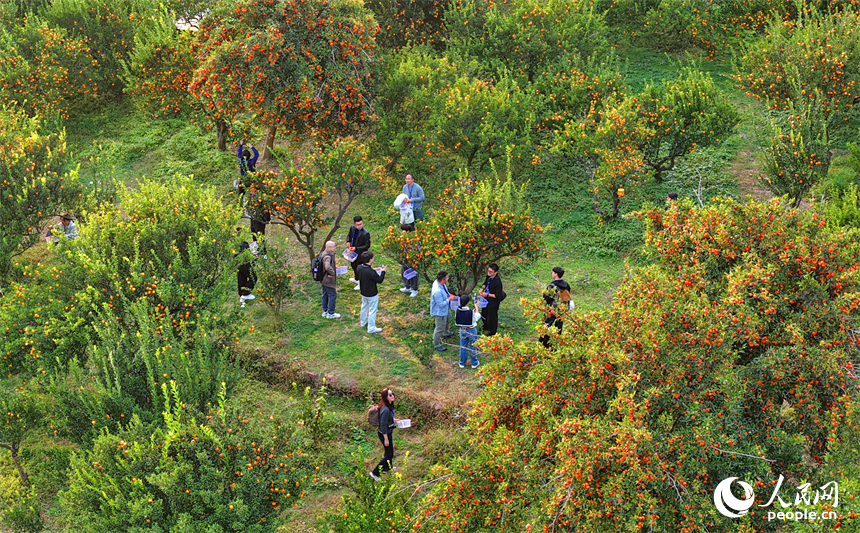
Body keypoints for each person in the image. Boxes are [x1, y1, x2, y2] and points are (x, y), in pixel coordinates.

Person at [370, 388, 399, 481]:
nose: (392, 396)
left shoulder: (387, 407)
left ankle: (387, 468)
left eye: (392, 394)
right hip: (384, 433)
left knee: (389, 452)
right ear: (386, 397)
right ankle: (375, 473)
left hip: (387, 432)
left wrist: (394, 421)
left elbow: (386, 420)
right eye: (390, 395)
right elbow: (382, 425)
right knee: (389, 454)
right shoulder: (385, 409)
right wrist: (386, 438)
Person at [540, 267, 572, 348]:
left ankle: (543, 343)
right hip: (563, 309)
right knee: (559, 327)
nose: (552, 274)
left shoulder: (552, 286)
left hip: (553, 309)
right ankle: (555, 343)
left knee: (546, 325)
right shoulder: (566, 285)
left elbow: (546, 298)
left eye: (553, 272)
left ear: (556, 274)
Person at [357, 251, 386, 334]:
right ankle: (371, 328)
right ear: (370, 259)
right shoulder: (371, 272)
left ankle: (363, 322)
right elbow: (379, 280)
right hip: (372, 293)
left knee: (364, 306)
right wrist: (383, 272)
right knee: (372, 310)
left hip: (363, 292)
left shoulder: (359, 268)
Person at [430, 271, 458, 351]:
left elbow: (445, 292)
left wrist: (449, 295)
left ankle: (446, 333)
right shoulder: (437, 291)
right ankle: (436, 344)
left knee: (448, 318)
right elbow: (441, 304)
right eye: (447, 277)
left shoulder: (440, 283)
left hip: (445, 308)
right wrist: (449, 299)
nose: (448, 278)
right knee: (439, 328)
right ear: (443, 279)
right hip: (440, 311)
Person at [455, 294, 481, 369]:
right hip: (471, 330)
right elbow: (477, 316)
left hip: (462, 330)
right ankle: (474, 363)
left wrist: (473, 311)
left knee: (463, 346)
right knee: (473, 346)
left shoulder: (457, 310)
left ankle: (462, 363)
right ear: (467, 303)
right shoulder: (470, 312)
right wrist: (476, 307)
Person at [346, 216, 371, 290]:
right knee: (353, 265)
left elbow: (367, 245)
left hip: (361, 253)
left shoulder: (365, 233)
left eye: (361, 224)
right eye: (358, 224)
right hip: (353, 251)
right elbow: (349, 235)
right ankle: (356, 278)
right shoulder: (352, 228)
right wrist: (348, 241)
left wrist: (356, 248)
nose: (359, 226)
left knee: (360, 267)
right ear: (354, 224)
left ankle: (361, 282)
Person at [478, 263, 503, 336]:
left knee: (492, 316)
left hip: (493, 301)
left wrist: (488, 294)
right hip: (486, 299)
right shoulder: (489, 277)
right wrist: (482, 289)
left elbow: (497, 295)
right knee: (484, 313)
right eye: (488, 271)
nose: (488, 273)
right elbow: (484, 284)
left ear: (495, 272)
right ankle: (486, 326)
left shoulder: (497, 282)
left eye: (491, 272)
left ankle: (493, 331)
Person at [320, 240, 340, 319]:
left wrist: (334, 267)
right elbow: (327, 266)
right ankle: (330, 313)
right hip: (328, 280)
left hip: (323, 279)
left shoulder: (323, 253)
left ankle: (324, 311)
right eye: (334, 246)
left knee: (324, 295)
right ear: (328, 247)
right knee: (332, 295)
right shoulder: (327, 256)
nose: (335, 248)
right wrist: (332, 273)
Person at [398, 223, 418, 297]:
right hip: (405, 259)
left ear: (408, 231)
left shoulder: (413, 239)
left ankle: (414, 289)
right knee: (404, 272)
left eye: (404, 231)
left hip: (412, 260)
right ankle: (407, 286)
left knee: (413, 274)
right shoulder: (402, 238)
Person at [237, 229, 256, 307]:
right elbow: (247, 253)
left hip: (238, 265)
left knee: (242, 279)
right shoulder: (242, 244)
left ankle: (242, 298)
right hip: (245, 265)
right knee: (253, 277)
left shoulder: (234, 244)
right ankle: (245, 293)